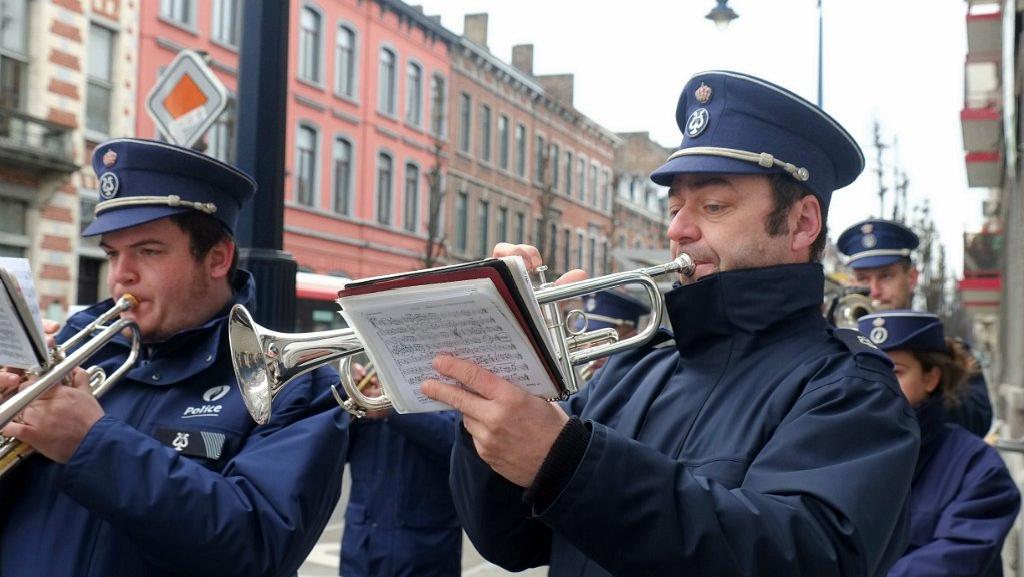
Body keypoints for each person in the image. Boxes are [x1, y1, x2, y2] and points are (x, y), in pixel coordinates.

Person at [422, 70, 921, 576]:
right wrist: (504, 377)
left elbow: (798, 558)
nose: (678, 229)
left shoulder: (850, 391)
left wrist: (569, 461)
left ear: (802, 224)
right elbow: (509, 541)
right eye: (676, 205)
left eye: (714, 205)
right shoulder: (634, 367)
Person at [0, 138, 348, 577]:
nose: (121, 273)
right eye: (112, 253)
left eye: (148, 251)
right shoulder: (72, 353)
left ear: (217, 258)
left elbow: (258, 547)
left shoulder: (295, 384)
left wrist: (92, 444)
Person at [857, 311, 1020, 577]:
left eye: (895, 371)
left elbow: (954, 559)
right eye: (867, 371)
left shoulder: (979, 468)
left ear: (930, 378)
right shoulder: (841, 452)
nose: (879, 385)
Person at [837, 219, 993, 437]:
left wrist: (930, 374)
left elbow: (977, 421)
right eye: (863, 279)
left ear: (911, 278)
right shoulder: (838, 347)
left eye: (886, 275)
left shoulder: (945, 348)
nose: (874, 291)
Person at [340, 364, 462, 577]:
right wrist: (345, 397)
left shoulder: (450, 375)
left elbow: (457, 445)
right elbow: (335, 453)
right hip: (361, 546)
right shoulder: (369, 383)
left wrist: (393, 411)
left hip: (424, 551)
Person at [575, 290, 650, 381]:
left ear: (631, 335)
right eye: (585, 336)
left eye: (601, 336)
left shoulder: (643, 373)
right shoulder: (588, 372)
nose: (590, 346)